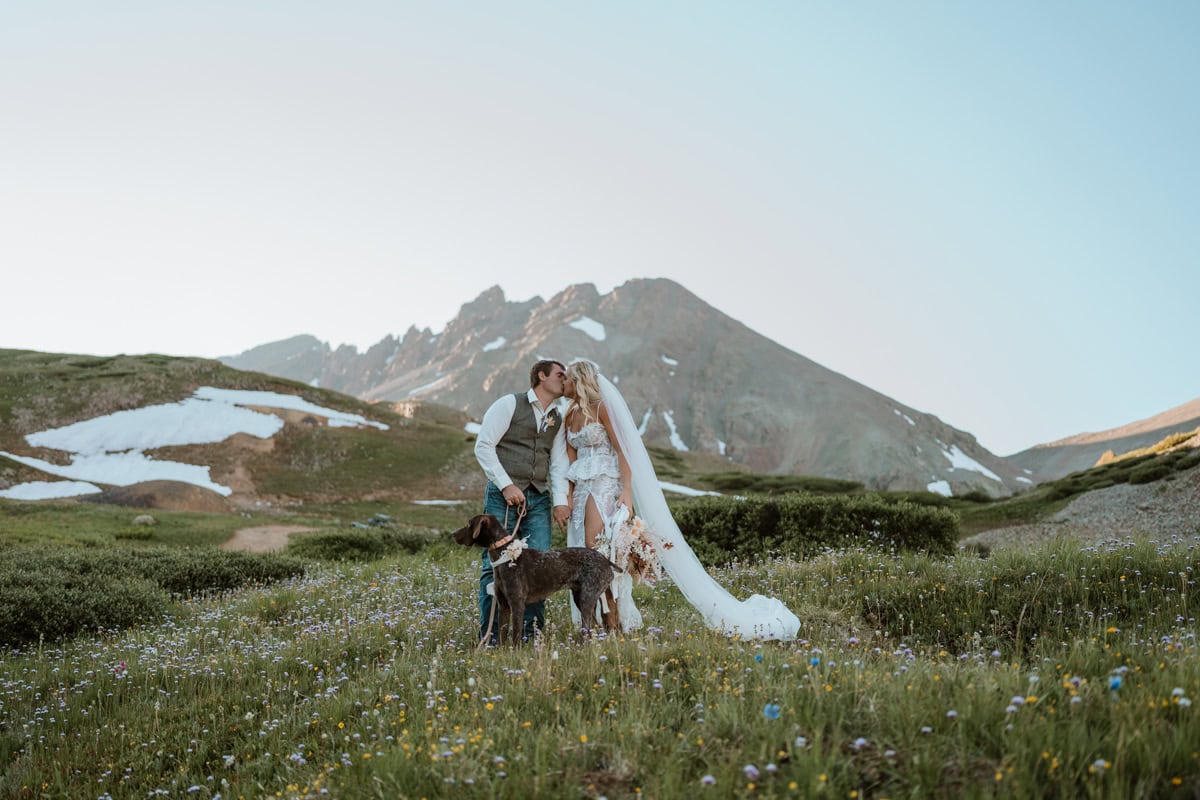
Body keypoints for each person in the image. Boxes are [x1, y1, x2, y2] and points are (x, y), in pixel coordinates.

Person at [563, 358, 800, 641]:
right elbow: (570, 459)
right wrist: (568, 496)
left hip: (603, 485)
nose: (562, 382)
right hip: (581, 488)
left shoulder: (602, 408)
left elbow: (624, 450)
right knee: (582, 550)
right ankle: (593, 622)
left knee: (597, 552)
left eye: (566, 378)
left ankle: (610, 619)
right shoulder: (569, 414)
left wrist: (625, 490)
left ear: (579, 380)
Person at [473, 359, 571, 643]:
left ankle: (530, 635)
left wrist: (560, 501)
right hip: (501, 497)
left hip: (538, 498)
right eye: (560, 374)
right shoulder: (509, 404)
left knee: (540, 565)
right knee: (495, 565)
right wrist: (506, 485)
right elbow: (484, 446)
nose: (565, 380)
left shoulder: (558, 418)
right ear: (541, 375)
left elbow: (558, 462)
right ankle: (492, 636)